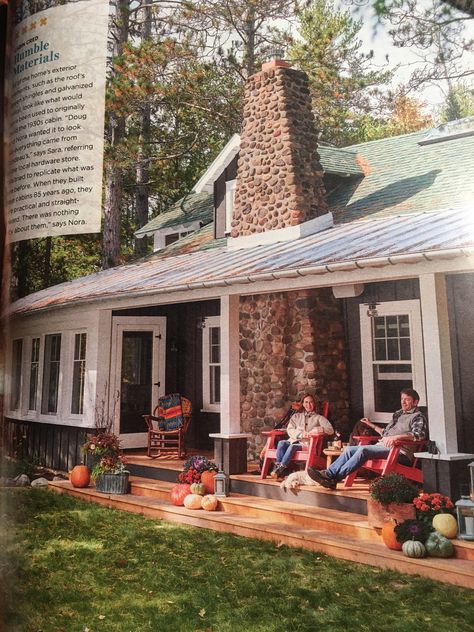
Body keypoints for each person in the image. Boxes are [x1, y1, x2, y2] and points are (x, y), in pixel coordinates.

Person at [308, 388, 427, 490]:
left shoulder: (418, 417)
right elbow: (385, 433)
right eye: (402, 399)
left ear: (415, 402)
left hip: (400, 452)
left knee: (363, 451)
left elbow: (419, 435)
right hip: (384, 447)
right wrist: (371, 425)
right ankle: (329, 474)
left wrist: (397, 437)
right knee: (350, 449)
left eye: (407, 399)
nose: (403, 402)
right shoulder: (398, 414)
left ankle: (334, 478)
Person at [270, 393, 334, 479]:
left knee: (292, 447)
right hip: (294, 440)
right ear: (303, 404)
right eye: (306, 402)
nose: (308, 405)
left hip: (307, 445)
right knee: (282, 443)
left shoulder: (319, 418)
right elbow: (290, 429)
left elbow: (330, 430)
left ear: (314, 404)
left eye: (311, 402)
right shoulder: (296, 416)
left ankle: (280, 469)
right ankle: (278, 468)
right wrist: (300, 434)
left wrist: (317, 430)